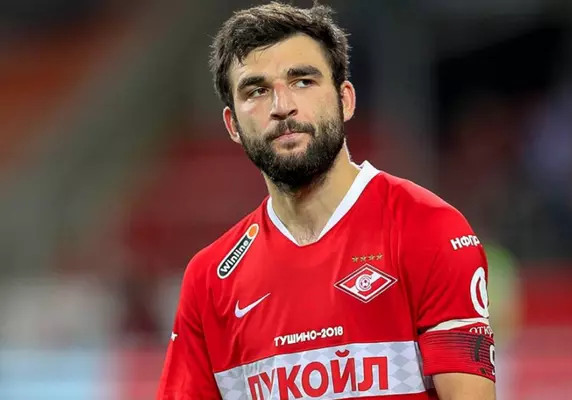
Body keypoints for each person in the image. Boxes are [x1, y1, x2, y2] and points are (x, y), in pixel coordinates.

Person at [156, 2, 496, 399]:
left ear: (345, 99)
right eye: (257, 91)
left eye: (302, 81)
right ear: (233, 125)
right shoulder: (210, 280)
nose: (282, 107)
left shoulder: (428, 229)